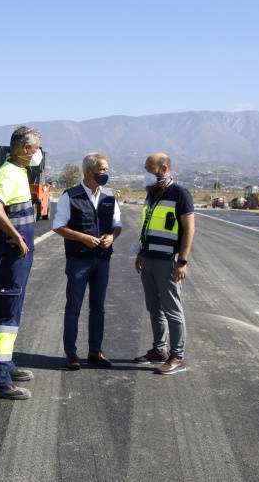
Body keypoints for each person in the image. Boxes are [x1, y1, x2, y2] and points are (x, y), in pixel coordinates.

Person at [0, 125, 43, 400]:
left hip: (18, 258)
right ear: (25, 149)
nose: (39, 152)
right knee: (5, 316)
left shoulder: (19, 172)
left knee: (13, 310)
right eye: (37, 147)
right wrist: (17, 237)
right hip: (10, 257)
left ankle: (6, 365)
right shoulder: (8, 173)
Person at [52, 153, 122, 370]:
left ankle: (95, 351)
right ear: (89, 171)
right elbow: (58, 226)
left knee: (98, 307)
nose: (106, 173)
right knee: (74, 307)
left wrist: (112, 237)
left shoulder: (109, 196)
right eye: (103, 170)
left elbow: (117, 224)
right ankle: (71, 353)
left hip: (102, 260)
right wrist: (83, 237)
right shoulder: (70, 196)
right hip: (79, 260)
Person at [133, 153, 195, 375]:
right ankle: (159, 350)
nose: (145, 171)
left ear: (164, 168)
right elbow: (147, 225)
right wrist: (140, 253)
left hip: (168, 262)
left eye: (149, 167)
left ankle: (177, 356)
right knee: (153, 307)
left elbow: (189, 229)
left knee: (172, 310)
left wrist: (182, 261)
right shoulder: (152, 195)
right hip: (148, 258)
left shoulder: (180, 194)